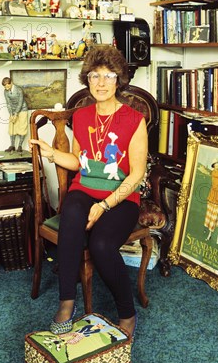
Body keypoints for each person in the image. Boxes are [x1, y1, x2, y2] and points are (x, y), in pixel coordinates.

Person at [30, 46, 147, 338]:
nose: (101, 82)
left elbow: (136, 175)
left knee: (102, 245)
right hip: (86, 189)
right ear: (87, 79)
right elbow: (80, 162)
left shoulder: (134, 120)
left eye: (109, 75)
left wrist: (104, 205)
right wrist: (53, 154)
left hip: (121, 196)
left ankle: (127, 313)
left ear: (119, 79)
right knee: (71, 209)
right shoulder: (81, 117)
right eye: (95, 75)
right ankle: (67, 301)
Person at [2, 77, 28, 153]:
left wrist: (16, 114)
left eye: (8, 86)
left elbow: (20, 103)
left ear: (11, 83)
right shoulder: (5, 91)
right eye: (5, 87)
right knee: (12, 127)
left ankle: (20, 146)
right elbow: (8, 103)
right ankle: (12, 146)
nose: (6, 88)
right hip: (13, 111)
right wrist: (11, 114)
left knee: (22, 127)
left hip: (22, 109)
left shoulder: (19, 90)